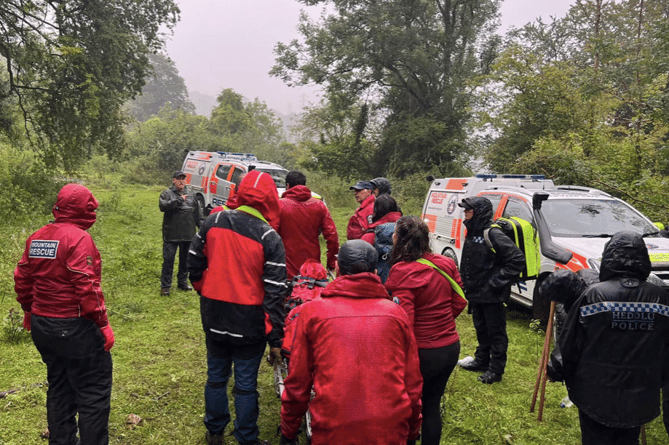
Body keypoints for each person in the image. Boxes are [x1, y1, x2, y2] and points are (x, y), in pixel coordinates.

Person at [280, 240, 423, 445]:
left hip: (332, 431)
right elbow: (413, 385)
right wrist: (412, 430)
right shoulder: (397, 314)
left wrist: (289, 430)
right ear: (375, 271)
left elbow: (298, 383)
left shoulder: (312, 312)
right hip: (389, 432)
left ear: (337, 269)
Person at [188, 169, 287, 445]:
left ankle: (215, 433)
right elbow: (275, 293)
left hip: (214, 315)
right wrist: (275, 337)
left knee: (216, 377)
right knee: (245, 385)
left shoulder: (214, 220)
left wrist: (206, 291)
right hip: (249, 322)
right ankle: (246, 438)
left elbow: (193, 265)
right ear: (270, 200)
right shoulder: (269, 237)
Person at [14, 183, 114, 445]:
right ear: (85, 208)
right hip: (75, 326)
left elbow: (22, 277)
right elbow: (87, 285)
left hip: (42, 327)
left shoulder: (38, 236)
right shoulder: (79, 239)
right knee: (93, 392)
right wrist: (103, 324)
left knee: (59, 387)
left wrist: (28, 310)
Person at [547, 231, 669, 445]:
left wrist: (556, 370)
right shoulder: (661, 298)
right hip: (640, 395)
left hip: (594, 395)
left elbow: (570, 343)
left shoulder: (594, 295)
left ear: (609, 256)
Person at [385, 216, 467, 445]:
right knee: (431, 405)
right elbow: (460, 300)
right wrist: (441, 323)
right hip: (449, 346)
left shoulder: (402, 272)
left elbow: (404, 322)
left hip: (421, 352)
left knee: (410, 406)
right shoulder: (445, 263)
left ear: (398, 240)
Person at [457, 196, 524, 384]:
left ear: (478, 212)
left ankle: (495, 370)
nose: (465, 213)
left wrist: (496, 282)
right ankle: (481, 361)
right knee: (481, 328)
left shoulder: (493, 234)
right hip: (477, 293)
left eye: (468, 210)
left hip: (492, 294)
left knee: (496, 332)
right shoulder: (473, 230)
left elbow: (517, 260)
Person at [278, 170, 338, 280]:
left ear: (287, 186)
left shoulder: (279, 205)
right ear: (304, 185)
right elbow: (332, 236)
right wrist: (332, 263)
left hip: (285, 266)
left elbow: (271, 235)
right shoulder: (319, 205)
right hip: (311, 267)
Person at [158, 170, 203, 296]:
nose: (181, 181)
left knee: (185, 261)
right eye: (178, 179)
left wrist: (203, 229)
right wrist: (178, 201)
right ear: (174, 180)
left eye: (183, 178)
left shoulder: (191, 194)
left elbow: (198, 215)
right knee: (168, 261)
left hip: (188, 235)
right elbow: (163, 206)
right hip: (171, 235)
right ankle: (166, 286)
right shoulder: (167, 193)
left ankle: (182, 282)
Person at [361, 194, 402, 282]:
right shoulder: (407, 232)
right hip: (401, 283)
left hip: (376, 284)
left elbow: (360, 264)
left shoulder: (369, 236)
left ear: (375, 211)